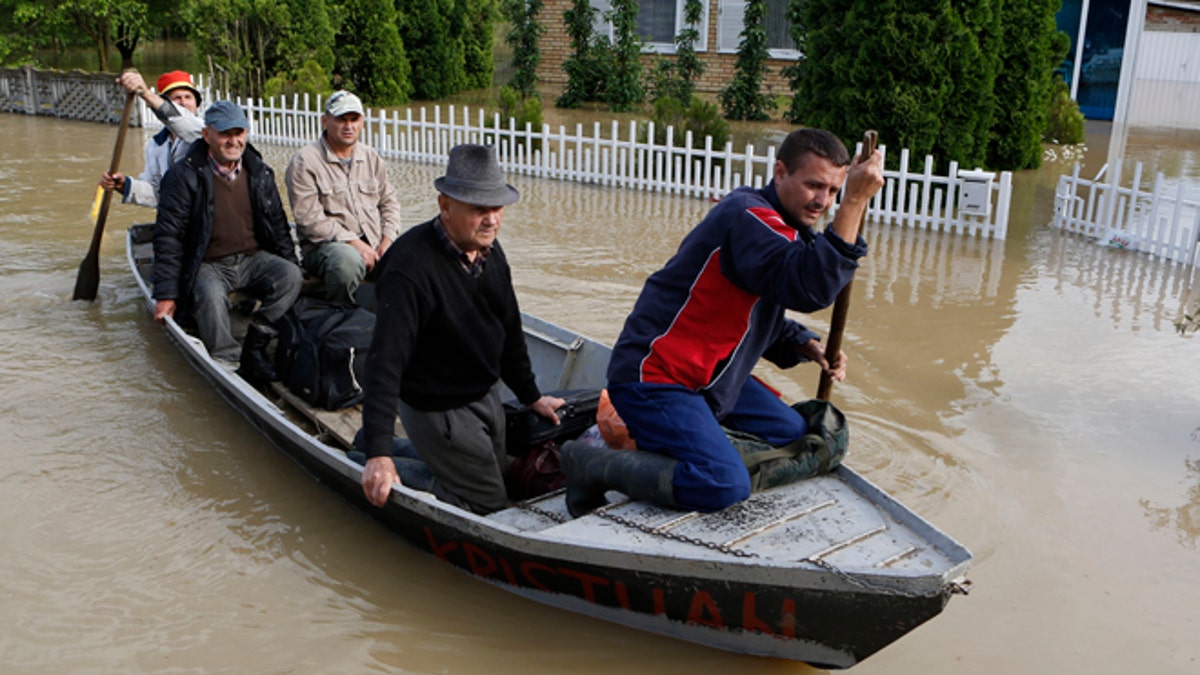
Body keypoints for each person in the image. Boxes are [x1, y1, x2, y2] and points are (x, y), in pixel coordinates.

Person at [562, 128, 885, 518]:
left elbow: (753, 310)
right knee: (724, 484)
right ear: (780, 172)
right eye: (813, 185)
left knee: (794, 435)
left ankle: (691, 442)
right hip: (657, 378)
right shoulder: (750, 217)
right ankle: (589, 464)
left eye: (833, 191)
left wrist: (804, 343)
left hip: (712, 374)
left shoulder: (781, 227)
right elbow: (811, 289)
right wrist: (852, 203)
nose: (823, 201)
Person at [358, 144, 564, 515]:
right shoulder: (410, 269)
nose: (492, 220)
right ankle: (379, 459)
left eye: (497, 208)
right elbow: (384, 364)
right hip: (437, 406)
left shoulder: (490, 253)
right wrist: (378, 453)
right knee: (486, 504)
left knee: (502, 475)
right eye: (478, 210)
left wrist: (532, 396)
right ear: (445, 206)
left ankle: (407, 453)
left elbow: (510, 331)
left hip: (484, 394)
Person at [152, 100, 304, 384]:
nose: (233, 141)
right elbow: (168, 238)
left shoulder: (260, 172)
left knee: (291, 276)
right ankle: (228, 359)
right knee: (208, 293)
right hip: (209, 263)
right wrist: (165, 295)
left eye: (239, 133)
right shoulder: (183, 176)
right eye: (225, 134)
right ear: (207, 135)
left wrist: (292, 266)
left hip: (252, 259)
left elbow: (278, 225)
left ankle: (257, 341)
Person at [285, 90, 402, 305]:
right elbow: (310, 221)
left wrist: (387, 241)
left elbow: (389, 203)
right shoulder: (305, 161)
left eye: (354, 119)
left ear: (363, 122)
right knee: (347, 263)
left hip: (373, 241)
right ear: (325, 121)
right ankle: (341, 315)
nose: (349, 126)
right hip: (326, 246)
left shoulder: (370, 157)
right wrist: (355, 244)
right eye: (341, 119)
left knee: (410, 257)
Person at [98, 70, 205, 208]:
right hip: (177, 217)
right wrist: (125, 185)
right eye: (177, 98)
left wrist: (145, 93)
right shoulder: (155, 145)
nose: (183, 103)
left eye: (188, 97)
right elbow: (156, 192)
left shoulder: (205, 132)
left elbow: (182, 122)